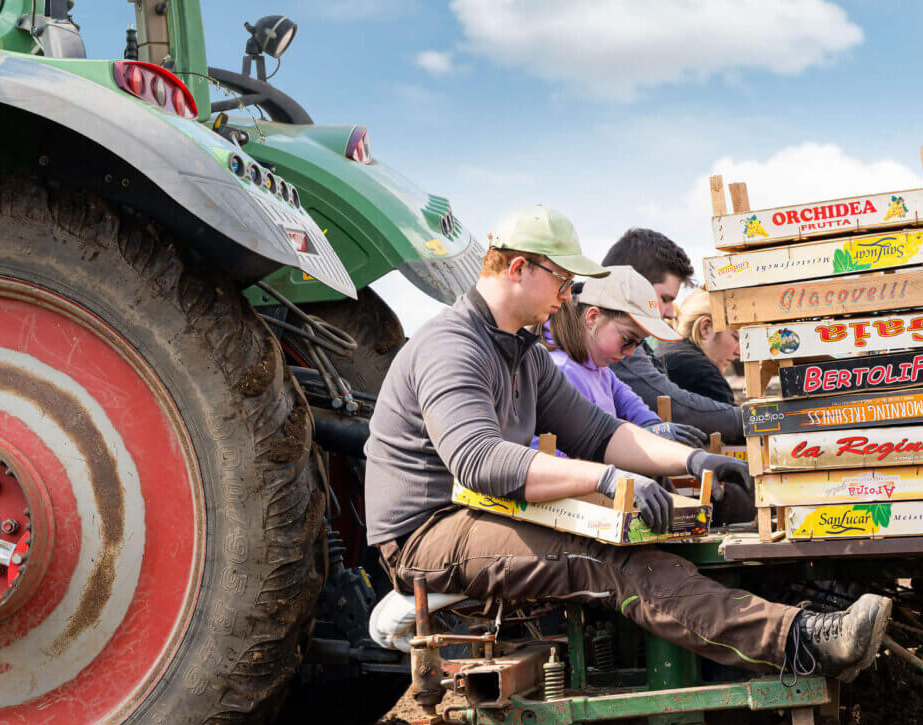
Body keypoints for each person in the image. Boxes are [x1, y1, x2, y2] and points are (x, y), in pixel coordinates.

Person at [364, 205, 892, 680]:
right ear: (518, 268)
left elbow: (599, 432)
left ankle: (787, 626)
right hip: (427, 532)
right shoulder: (452, 346)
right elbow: (479, 461)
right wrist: (610, 480)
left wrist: (694, 458)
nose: (568, 294)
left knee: (656, 529)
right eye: (562, 279)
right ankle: (799, 643)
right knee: (610, 560)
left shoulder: (521, 351)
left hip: (483, 509)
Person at [540, 265, 707, 448]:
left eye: (639, 343)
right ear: (593, 317)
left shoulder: (600, 369)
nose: (630, 352)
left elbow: (628, 401)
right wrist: (645, 438)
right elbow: (584, 448)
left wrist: (653, 426)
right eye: (628, 339)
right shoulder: (563, 372)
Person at [604, 228, 745, 444]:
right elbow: (670, 403)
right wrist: (758, 420)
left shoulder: (629, 348)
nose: (670, 312)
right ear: (631, 286)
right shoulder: (611, 350)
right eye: (665, 298)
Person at [656, 289, 741, 405]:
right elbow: (735, 420)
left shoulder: (664, 353)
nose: (739, 352)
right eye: (736, 338)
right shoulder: (702, 373)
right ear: (705, 328)